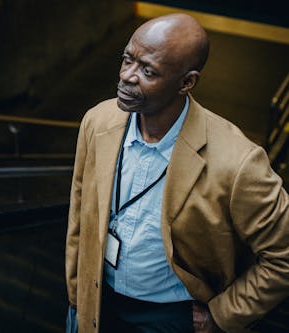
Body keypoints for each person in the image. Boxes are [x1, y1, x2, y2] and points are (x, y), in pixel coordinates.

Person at [65, 13, 289, 333]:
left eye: (147, 71)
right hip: (97, 303)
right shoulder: (97, 121)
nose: (128, 76)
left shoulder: (239, 162)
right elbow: (79, 213)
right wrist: (77, 295)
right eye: (127, 59)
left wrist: (221, 316)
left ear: (186, 82)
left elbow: (284, 258)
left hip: (169, 317)